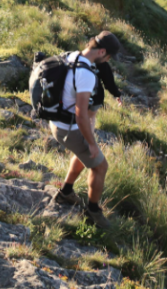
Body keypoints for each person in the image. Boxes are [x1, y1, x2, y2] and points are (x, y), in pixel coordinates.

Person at [52, 31, 123, 229]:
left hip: (57, 120)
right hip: (68, 127)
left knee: (83, 155)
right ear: (101, 52)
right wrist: (91, 143)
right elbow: (81, 114)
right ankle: (93, 211)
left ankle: (66, 192)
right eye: (108, 57)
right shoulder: (86, 74)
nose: (108, 61)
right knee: (100, 166)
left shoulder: (72, 55)